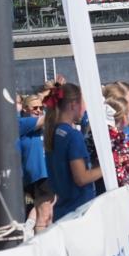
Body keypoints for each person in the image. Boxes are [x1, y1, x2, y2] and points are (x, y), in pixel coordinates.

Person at [44, 83, 103, 221]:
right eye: (83, 103)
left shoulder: (52, 132)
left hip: (62, 210)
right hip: (78, 211)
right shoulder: (73, 135)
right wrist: (108, 167)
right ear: (73, 105)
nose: (84, 108)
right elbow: (81, 178)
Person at [20, 95, 54, 234]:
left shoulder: (39, 123)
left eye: (41, 107)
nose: (39, 110)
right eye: (35, 108)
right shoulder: (23, 122)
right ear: (25, 109)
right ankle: (40, 246)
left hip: (47, 171)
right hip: (39, 173)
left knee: (48, 213)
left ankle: (46, 242)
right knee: (44, 214)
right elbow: (48, 118)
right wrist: (56, 98)